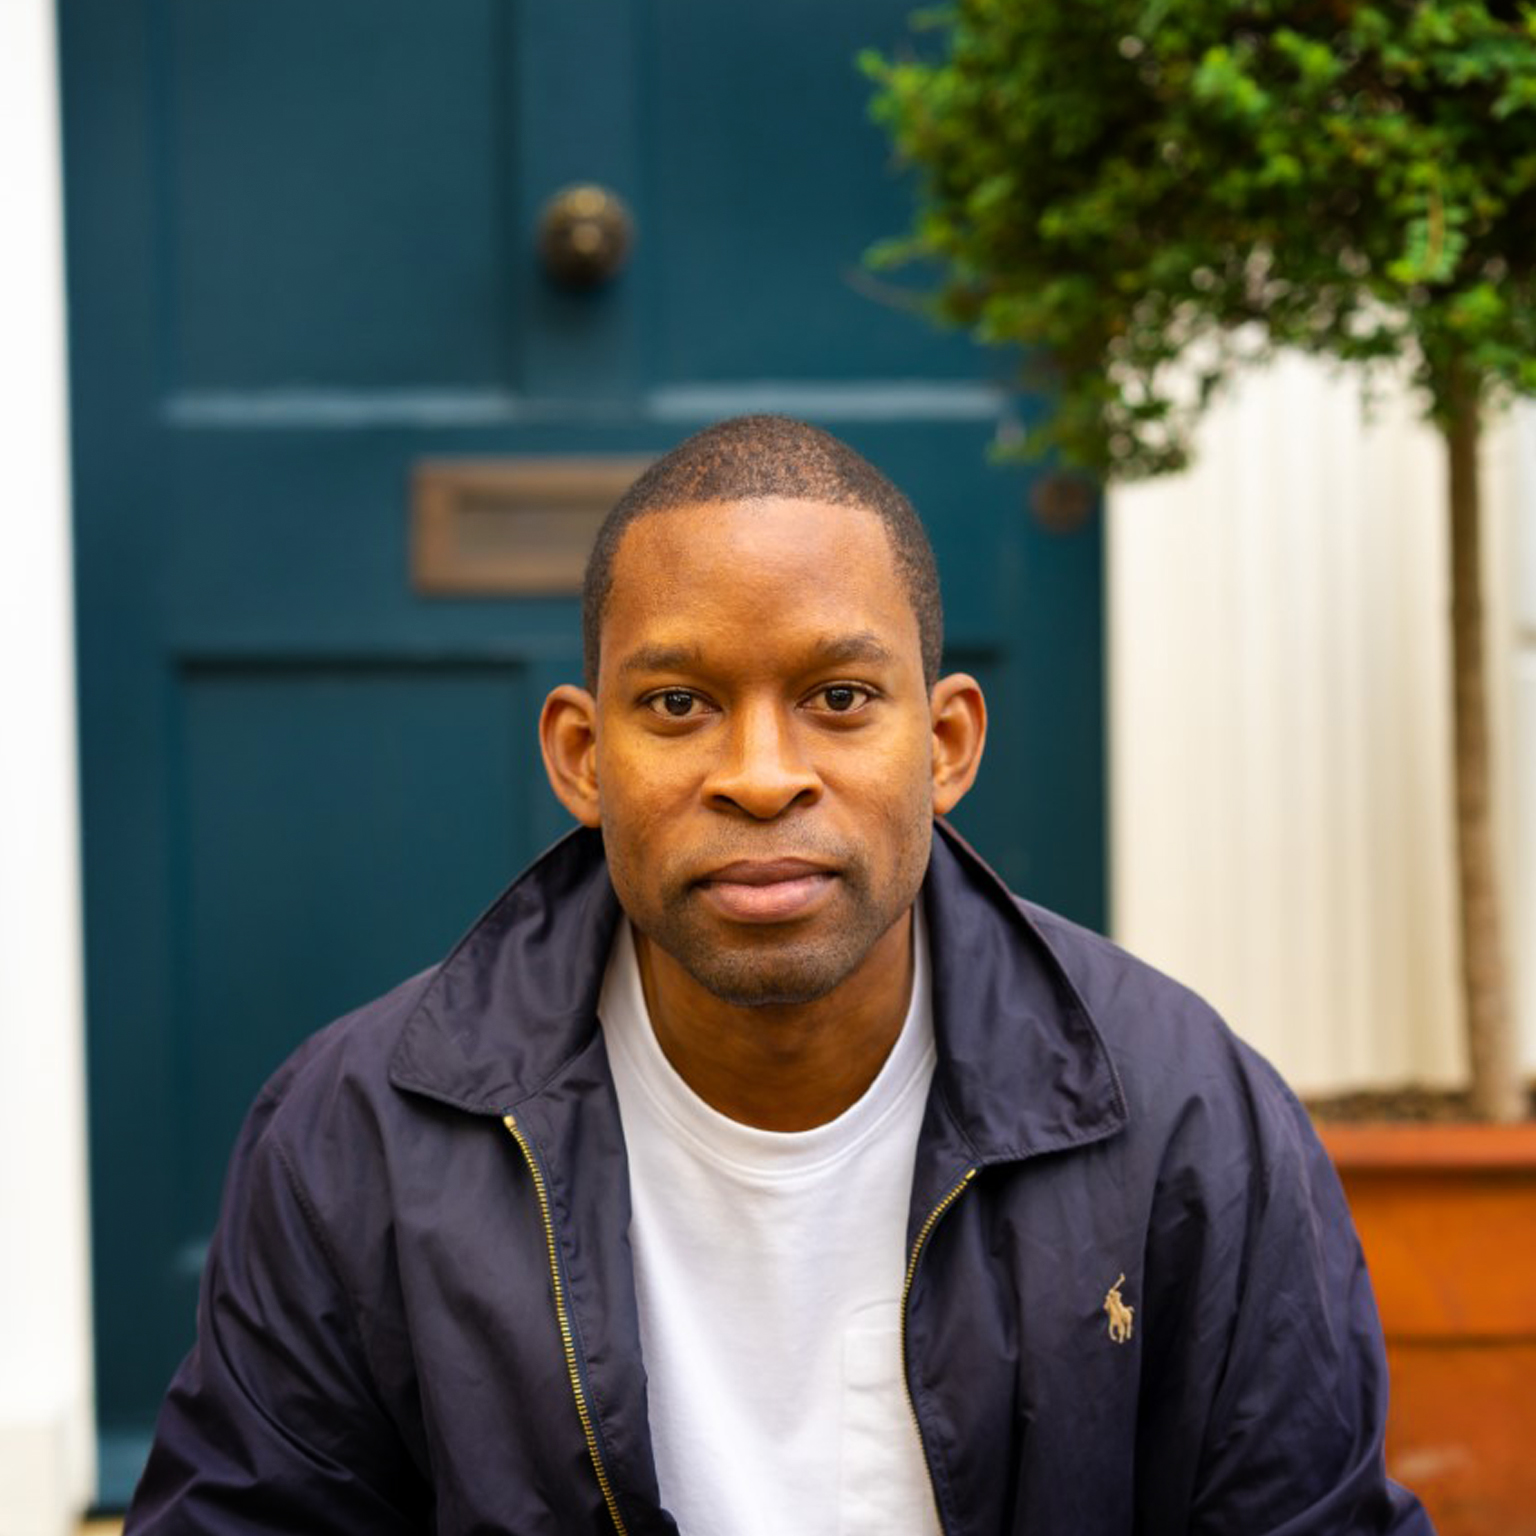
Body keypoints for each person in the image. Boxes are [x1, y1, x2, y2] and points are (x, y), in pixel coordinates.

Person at [125, 416, 1432, 1535]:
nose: (760, 776)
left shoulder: (1186, 1117)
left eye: (840, 698)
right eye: (679, 705)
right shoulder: (360, 1135)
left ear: (947, 743)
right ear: (583, 756)